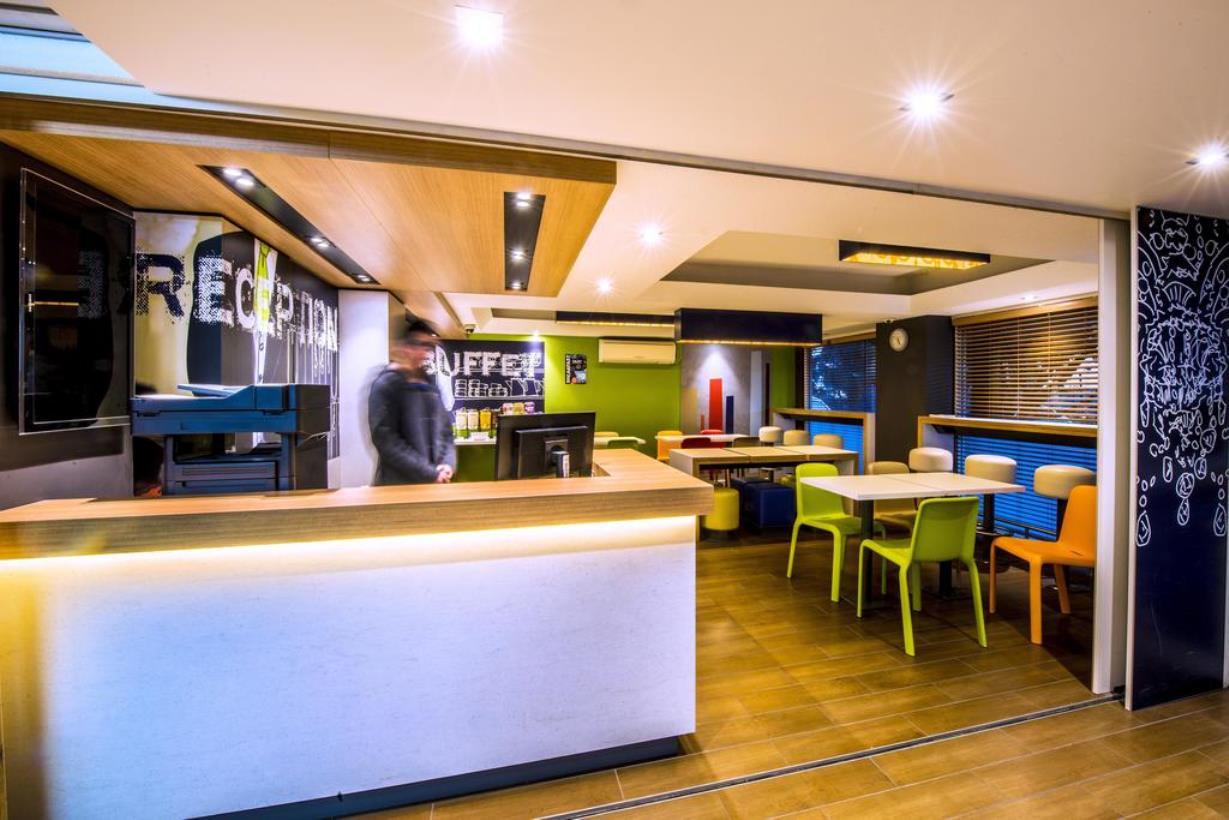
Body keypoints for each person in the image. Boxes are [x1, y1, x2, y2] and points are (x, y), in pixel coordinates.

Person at [368, 319, 456, 485]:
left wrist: (447, 464)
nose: (423, 353)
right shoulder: (386, 384)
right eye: (417, 344)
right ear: (402, 347)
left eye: (427, 347)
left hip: (431, 485)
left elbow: (446, 432)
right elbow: (386, 441)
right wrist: (430, 473)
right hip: (398, 487)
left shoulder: (430, 385)